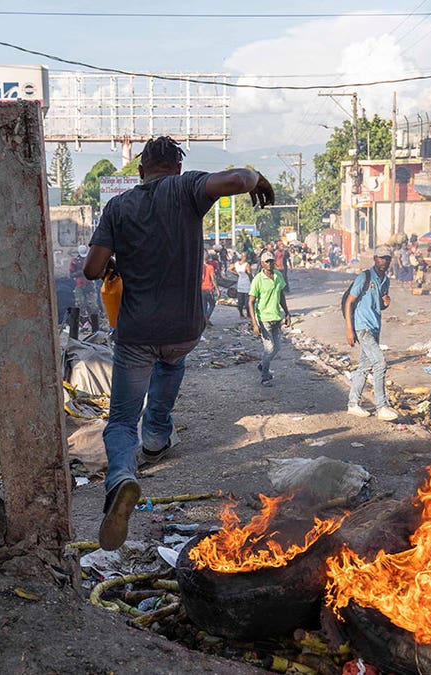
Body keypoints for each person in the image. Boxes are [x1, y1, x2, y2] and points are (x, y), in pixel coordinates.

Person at [82, 136, 274, 551]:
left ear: (140, 171)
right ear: (176, 166)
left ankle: (122, 476)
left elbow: (92, 268)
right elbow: (239, 178)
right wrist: (256, 178)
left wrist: (117, 260)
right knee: (172, 364)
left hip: (137, 333)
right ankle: (155, 437)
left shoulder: (118, 207)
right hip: (184, 329)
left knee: (119, 420)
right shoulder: (187, 189)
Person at [344, 246, 399, 421]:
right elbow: (349, 302)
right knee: (380, 363)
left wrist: (385, 303)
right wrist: (349, 329)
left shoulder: (385, 281)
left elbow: (379, 304)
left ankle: (353, 404)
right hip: (362, 327)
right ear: (375, 258)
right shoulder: (364, 277)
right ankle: (381, 406)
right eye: (381, 258)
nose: (384, 262)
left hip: (375, 327)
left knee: (363, 367)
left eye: (387, 259)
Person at [248, 250, 290, 387]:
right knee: (269, 348)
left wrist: (287, 313)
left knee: (277, 347)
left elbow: (281, 295)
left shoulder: (278, 276)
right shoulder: (258, 280)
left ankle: (263, 364)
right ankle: (264, 377)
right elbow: (251, 301)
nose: (270, 263)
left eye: (271, 261)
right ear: (262, 263)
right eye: (267, 261)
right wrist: (254, 323)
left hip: (276, 317)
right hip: (264, 318)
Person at [70, 244, 102, 329]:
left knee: (93, 305)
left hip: (90, 285)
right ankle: (84, 323)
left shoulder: (90, 260)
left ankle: (94, 324)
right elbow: (71, 274)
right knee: (80, 304)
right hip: (79, 285)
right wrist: (80, 272)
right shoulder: (75, 261)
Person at [201, 253, 220, 326]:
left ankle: (205, 320)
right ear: (207, 259)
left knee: (204, 305)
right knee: (212, 304)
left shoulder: (200, 267)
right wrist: (217, 289)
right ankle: (206, 317)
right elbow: (213, 279)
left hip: (201, 289)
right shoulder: (210, 267)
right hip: (208, 289)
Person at [234, 252, 252, 319]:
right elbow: (249, 274)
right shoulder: (247, 265)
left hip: (240, 284)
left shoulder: (236, 264)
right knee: (247, 302)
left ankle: (241, 314)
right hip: (247, 284)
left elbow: (229, 269)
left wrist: (237, 274)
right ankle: (247, 314)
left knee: (240, 301)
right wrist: (253, 281)